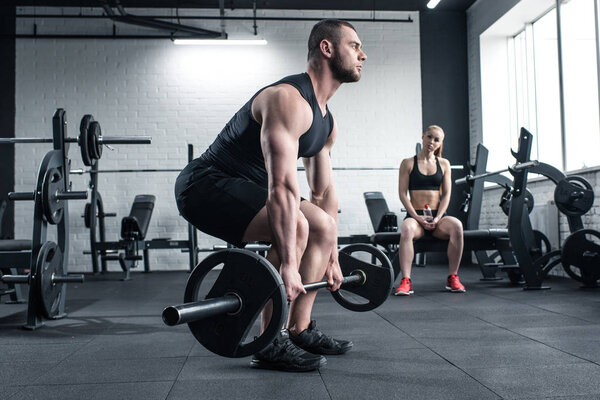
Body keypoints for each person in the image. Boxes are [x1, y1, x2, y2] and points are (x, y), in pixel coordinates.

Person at [174, 19, 367, 372]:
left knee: (321, 226)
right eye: (354, 46)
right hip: (204, 185)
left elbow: (322, 193)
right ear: (326, 48)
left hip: (250, 189)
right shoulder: (287, 100)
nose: (362, 55)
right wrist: (290, 267)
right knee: (295, 224)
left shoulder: (327, 122)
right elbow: (282, 187)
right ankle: (269, 341)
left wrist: (333, 257)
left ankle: (300, 329)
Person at [394, 125, 466, 296]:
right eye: (429, 137)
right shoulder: (408, 163)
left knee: (457, 226)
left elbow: (447, 195)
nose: (431, 142)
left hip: (438, 218)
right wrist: (417, 218)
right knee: (406, 229)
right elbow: (402, 194)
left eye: (436, 140)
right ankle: (406, 281)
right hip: (416, 216)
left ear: (440, 144)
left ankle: (453, 277)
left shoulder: (444, 164)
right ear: (423, 136)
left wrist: (438, 217)